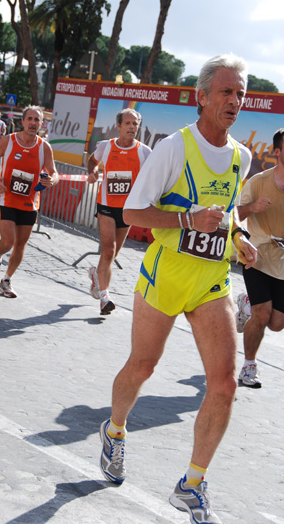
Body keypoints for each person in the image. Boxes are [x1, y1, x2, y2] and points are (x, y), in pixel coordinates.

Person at [99, 55, 258, 524]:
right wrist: (187, 219)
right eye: (226, 92)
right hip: (164, 278)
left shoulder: (241, 157)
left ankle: (192, 483)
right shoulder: (173, 149)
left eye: (241, 93)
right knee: (142, 367)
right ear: (202, 97)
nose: (235, 101)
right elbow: (131, 213)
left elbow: (227, 212)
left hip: (210, 283)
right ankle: (115, 429)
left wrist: (238, 237)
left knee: (225, 385)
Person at [0, 105, 58, 298]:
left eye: (37, 120)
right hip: (7, 198)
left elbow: (54, 172)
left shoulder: (44, 147)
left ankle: (7, 280)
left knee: (20, 245)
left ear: (42, 124)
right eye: (30, 119)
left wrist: (51, 180)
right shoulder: (9, 141)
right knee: (8, 241)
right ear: (23, 121)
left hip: (30, 202)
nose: (33, 123)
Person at [87, 108, 151, 315]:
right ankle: (105, 297)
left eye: (135, 124)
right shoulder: (106, 146)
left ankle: (98, 277)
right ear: (119, 126)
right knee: (107, 250)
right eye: (128, 123)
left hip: (127, 210)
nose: (132, 127)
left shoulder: (144, 152)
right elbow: (92, 161)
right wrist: (93, 172)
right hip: (105, 204)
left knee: (112, 254)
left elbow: (153, 177)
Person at [235, 128, 284, 389]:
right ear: (278, 151)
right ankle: (248, 366)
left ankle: (246, 303)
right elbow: (236, 214)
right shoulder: (257, 182)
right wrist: (253, 207)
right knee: (262, 314)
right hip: (258, 256)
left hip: (283, 264)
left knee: (276, 324)